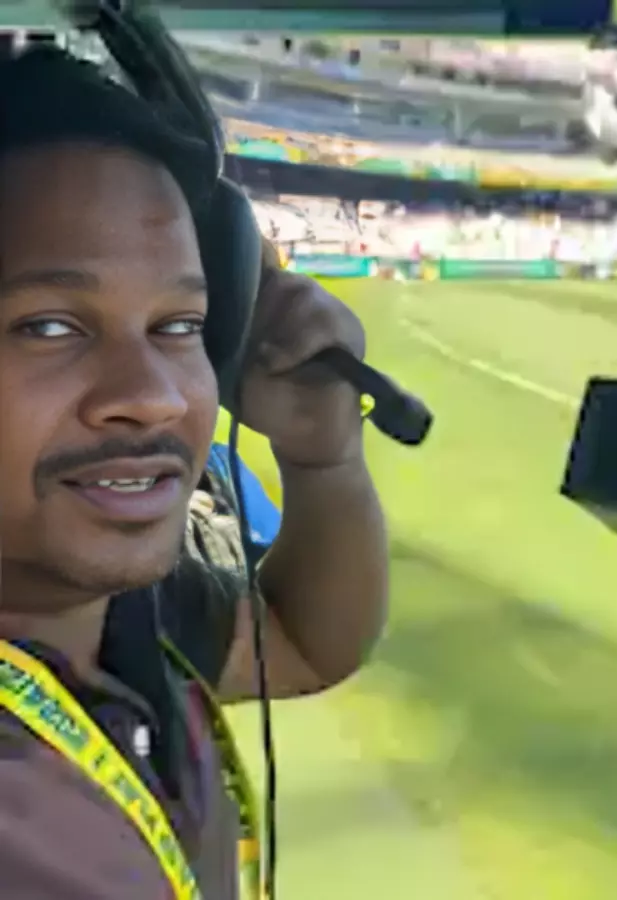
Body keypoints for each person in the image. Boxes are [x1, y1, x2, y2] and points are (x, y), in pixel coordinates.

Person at [0, 49, 389, 899]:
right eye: (51, 327)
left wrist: (324, 459)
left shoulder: (129, 608)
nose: (153, 397)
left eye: (179, 326)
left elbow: (304, 643)